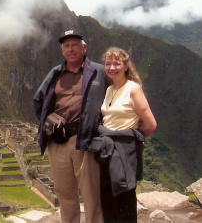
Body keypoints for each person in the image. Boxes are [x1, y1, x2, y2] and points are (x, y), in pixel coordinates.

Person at [33, 29, 107, 223]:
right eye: (66, 46)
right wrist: (48, 123)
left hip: (85, 140)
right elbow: (39, 101)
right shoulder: (55, 73)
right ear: (62, 51)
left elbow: (117, 95)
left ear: (84, 48)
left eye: (75, 45)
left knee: (91, 192)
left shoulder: (99, 71)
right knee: (64, 192)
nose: (70, 49)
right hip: (58, 142)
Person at [98, 47, 157, 222]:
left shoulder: (133, 89)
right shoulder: (110, 89)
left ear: (125, 66)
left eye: (117, 63)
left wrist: (132, 139)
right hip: (106, 151)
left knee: (124, 198)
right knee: (107, 199)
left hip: (123, 153)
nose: (112, 67)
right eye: (108, 64)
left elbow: (151, 124)